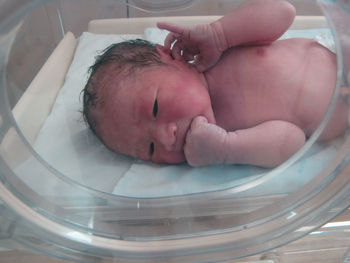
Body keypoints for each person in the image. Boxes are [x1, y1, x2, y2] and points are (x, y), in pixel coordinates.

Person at [82, 0, 348, 168]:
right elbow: (293, 142)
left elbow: (282, 12)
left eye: (154, 108)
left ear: (171, 56)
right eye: (151, 149)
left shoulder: (221, 50)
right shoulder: (224, 131)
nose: (167, 138)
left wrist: (220, 34)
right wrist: (226, 149)